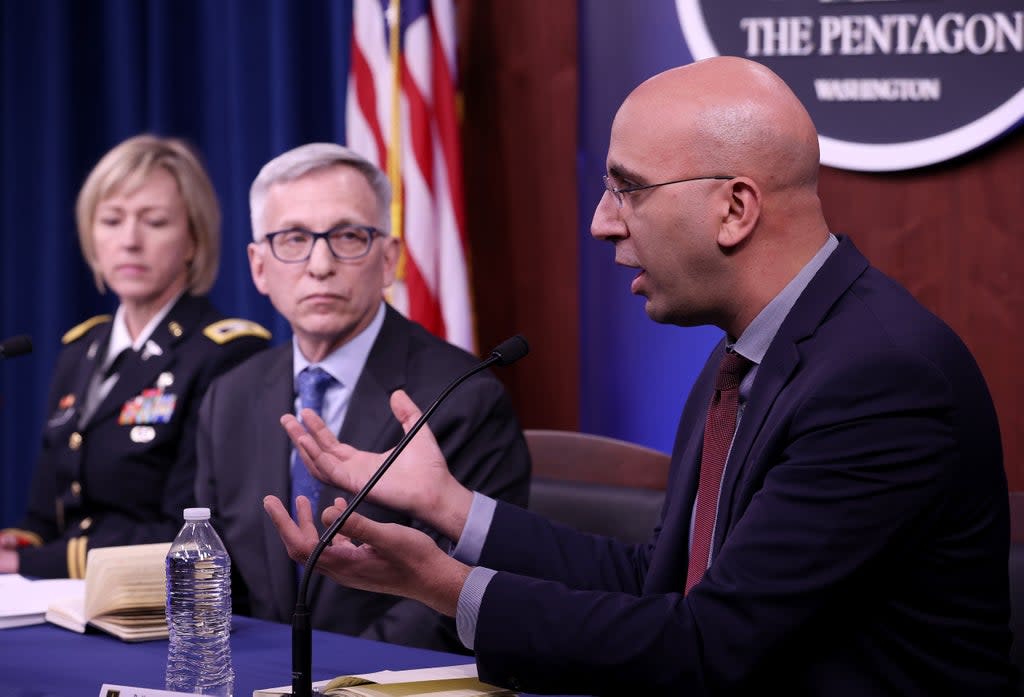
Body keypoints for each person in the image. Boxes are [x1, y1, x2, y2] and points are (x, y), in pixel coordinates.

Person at [265, 57, 1016, 695]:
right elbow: (660, 577)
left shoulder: (879, 378)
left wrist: (443, 586)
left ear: (734, 208)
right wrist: (452, 508)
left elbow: (710, 644)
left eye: (627, 189)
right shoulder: (747, 357)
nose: (601, 221)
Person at [195, 143, 530, 652]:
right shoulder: (230, 397)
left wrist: (325, 681)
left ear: (389, 258)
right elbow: (217, 569)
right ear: (259, 266)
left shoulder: (462, 398)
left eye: (348, 236)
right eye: (294, 239)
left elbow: (453, 596)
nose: (321, 264)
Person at [0, 134, 270, 578]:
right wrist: (21, 541)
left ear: (193, 241)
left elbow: (192, 531)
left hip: (161, 611)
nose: (129, 240)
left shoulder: (227, 354)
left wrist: (27, 562)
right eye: (111, 220)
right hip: (62, 599)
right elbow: (47, 516)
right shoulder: (79, 350)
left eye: (155, 221)